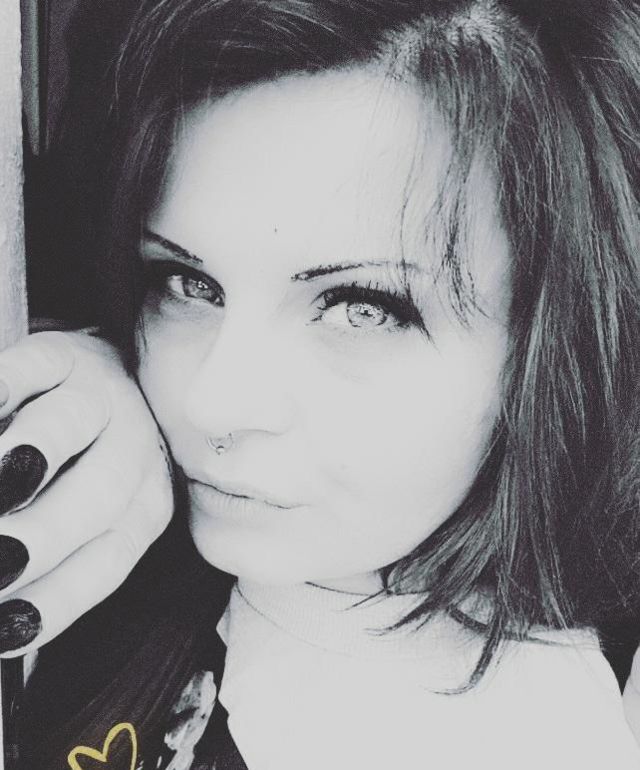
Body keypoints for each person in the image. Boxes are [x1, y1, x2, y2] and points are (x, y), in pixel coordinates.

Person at [0, 0, 639, 767]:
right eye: (188, 284)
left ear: (555, 343)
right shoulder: (142, 536)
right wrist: (78, 378)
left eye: (362, 308)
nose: (209, 404)